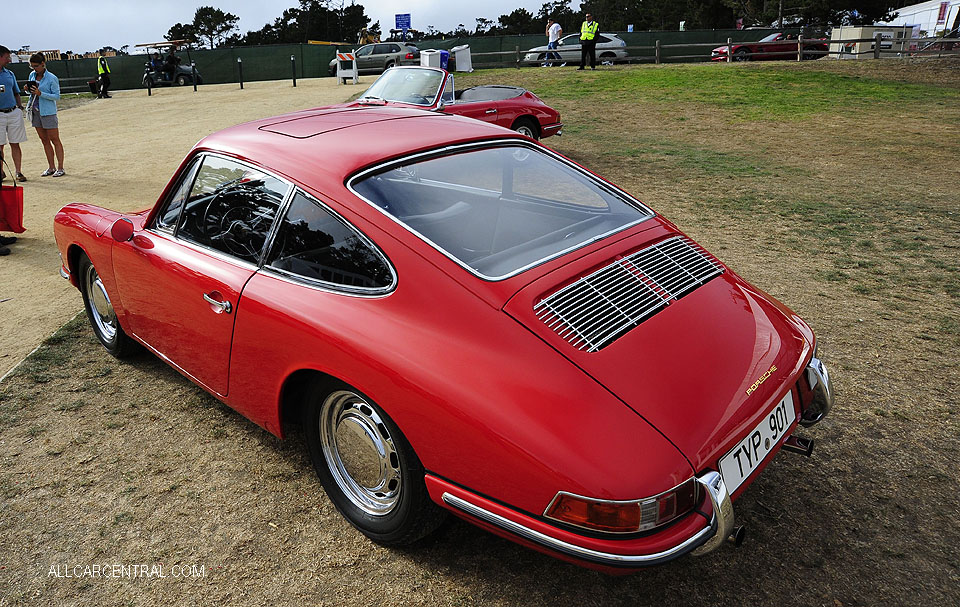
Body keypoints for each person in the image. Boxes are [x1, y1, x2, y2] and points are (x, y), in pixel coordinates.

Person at [26, 52, 64, 177]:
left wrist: (41, 93)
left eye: (36, 66)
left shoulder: (52, 78)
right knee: (44, 140)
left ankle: (60, 167)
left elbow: (57, 96)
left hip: (48, 112)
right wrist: (28, 90)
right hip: (35, 111)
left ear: (43, 64)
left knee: (55, 139)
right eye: (32, 66)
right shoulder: (32, 75)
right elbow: (32, 94)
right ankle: (51, 167)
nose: (34, 69)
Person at [0, 45, 27, 187]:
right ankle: (1, 172)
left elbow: (16, 92)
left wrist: (19, 108)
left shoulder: (9, 74)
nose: (9, 60)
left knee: (15, 143)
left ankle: (18, 171)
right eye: (7, 57)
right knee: (0, 146)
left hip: (13, 112)